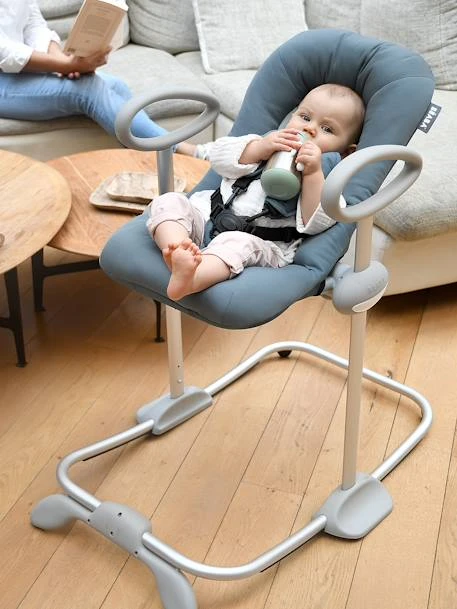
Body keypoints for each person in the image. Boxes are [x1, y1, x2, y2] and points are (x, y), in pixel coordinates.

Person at [147, 83, 365, 301]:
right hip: (207, 218)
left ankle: (193, 277)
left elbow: (318, 221)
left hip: (260, 243)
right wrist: (258, 149)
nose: (310, 129)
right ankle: (178, 250)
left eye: (327, 129)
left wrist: (313, 174)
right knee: (170, 201)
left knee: (236, 244)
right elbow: (218, 158)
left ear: (346, 153)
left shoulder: (327, 181)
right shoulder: (264, 143)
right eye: (305, 117)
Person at [0, 0, 210, 159]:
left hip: (20, 72)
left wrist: (62, 61)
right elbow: (5, 52)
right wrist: (65, 66)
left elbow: (33, 24)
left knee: (116, 85)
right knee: (86, 89)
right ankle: (186, 153)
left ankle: (145, 162)